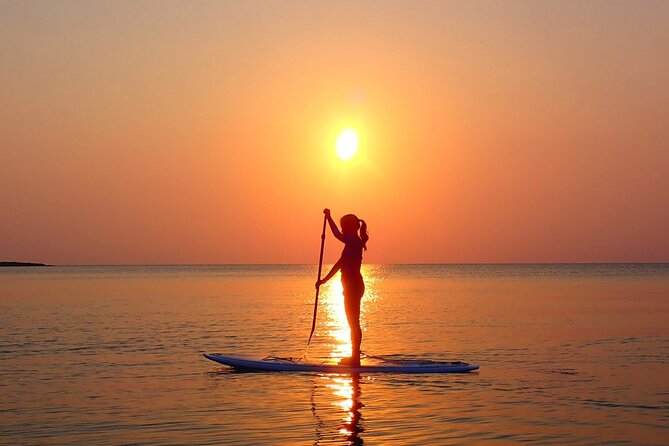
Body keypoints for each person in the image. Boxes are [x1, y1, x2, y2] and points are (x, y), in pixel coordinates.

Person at [315, 208, 368, 366]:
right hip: (351, 287)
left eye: (344, 227)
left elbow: (336, 234)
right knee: (352, 322)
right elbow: (339, 264)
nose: (343, 230)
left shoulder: (353, 241)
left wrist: (329, 218)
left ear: (350, 227)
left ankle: (355, 359)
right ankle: (354, 357)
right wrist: (323, 280)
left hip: (354, 286)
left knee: (353, 323)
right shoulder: (351, 243)